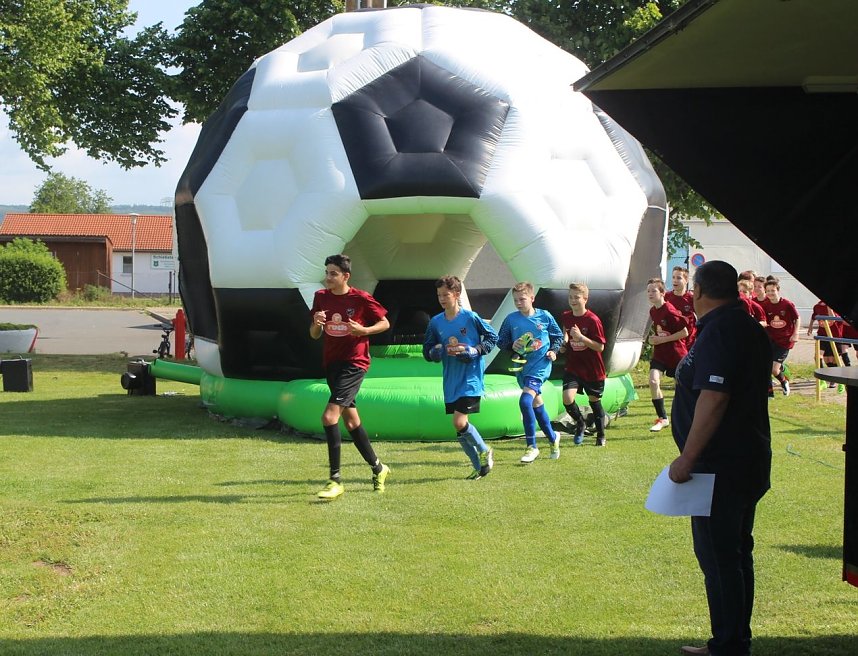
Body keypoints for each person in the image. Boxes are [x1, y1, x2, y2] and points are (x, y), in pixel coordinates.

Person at [668, 260, 772, 656]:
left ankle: (729, 646)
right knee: (734, 553)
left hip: (720, 467)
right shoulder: (739, 324)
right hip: (742, 460)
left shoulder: (724, 329)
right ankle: (732, 640)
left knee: (720, 557)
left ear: (698, 291)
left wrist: (687, 459)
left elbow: (714, 397)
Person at [310, 254, 391, 500]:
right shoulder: (320, 298)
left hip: (355, 364)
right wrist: (316, 323)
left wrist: (364, 330)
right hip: (332, 364)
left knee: (328, 416)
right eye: (327, 272)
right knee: (352, 422)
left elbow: (385, 323)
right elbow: (314, 335)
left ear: (346, 276)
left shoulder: (361, 298)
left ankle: (335, 480)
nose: (328, 278)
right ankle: (379, 468)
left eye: (333, 273)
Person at [424, 275, 498, 479]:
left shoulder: (471, 317)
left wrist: (475, 351)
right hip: (451, 380)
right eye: (439, 295)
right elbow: (427, 349)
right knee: (459, 430)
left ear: (456, 294)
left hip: (471, 378)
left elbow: (493, 338)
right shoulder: (436, 322)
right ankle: (479, 468)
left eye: (445, 294)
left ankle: (484, 450)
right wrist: (433, 353)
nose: (441, 298)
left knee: (459, 422)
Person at [497, 282, 564, 462]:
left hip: (540, 365)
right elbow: (500, 342)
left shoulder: (545, 316)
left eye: (522, 299)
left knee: (525, 401)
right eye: (516, 300)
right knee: (535, 403)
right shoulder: (511, 319)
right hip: (522, 367)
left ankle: (531, 446)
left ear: (532, 298)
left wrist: (553, 351)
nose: (519, 303)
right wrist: (512, 345)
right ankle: (552, 437)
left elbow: (557, 336)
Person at [558, 282, 608, 447]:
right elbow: (566, 332)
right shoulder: (566, 315)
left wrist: (581, 338)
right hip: (573, 366)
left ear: (585, 299)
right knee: (567, 398)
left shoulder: (593, 320)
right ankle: (580, 423)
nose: (573, 300)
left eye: (576, 297)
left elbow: (600, 346)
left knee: (594, 401)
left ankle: (601, 435)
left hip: (592, 368)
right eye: (570, 297)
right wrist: (564, 344)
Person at [647, 278, 689, 432]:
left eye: (654, 291)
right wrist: (654, 340)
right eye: (648, 291)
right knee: (653, 381)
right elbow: (660, 331)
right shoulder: (653, 311)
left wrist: (663, 339)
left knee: (684, 389)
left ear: (663, 293)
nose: (650, 294)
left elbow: (685, 332)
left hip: (676, 354)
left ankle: (688, 417)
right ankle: (663, 418)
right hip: (660, 354)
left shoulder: (670, 310)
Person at [760, 277, 800, 397]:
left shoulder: (787, 304)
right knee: (766, 365)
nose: (771, 293)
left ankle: (784, 381)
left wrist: (795, 333)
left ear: (778, 290)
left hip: (785, 340)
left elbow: (797, 318)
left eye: (773, 290)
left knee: (773, 369)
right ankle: (770, 392)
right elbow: (764, 320)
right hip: (771, 340)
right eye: (768, 291)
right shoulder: (766, 305)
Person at [665, 266, 697, 348]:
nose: (675, 280)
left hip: (688, 344)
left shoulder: (692, 299)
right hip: (670, 342)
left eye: (679, 278)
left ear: (686, 280)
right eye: (673, 277)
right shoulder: (666, 297)